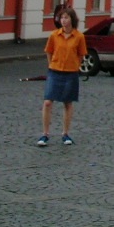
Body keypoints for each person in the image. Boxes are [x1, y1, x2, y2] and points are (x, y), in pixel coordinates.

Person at [36, 10, 84, 147]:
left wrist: (75, 65)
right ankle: (45, 134)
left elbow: (81, 54)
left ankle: (65, 133)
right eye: (62, 18)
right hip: (55, 71)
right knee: (47, 102)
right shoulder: (54, 35)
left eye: (66, 17)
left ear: (72, 19)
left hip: (71, 72)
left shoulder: (79, 37)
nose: (63, 20)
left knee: (67, 103)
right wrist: (51, 64)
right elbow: (49, 51)